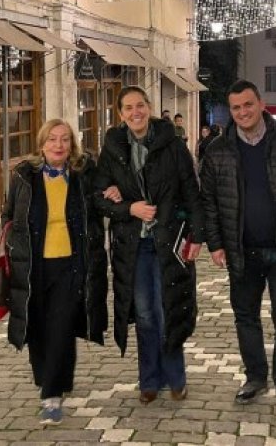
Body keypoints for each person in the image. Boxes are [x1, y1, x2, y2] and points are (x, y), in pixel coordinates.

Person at [200, 80, 276, 414]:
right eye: (236, 107)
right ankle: (256, 377)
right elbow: (210, 203)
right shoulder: (217, 150)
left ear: (261, 103)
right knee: (246, 318)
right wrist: (215, 244)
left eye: (248, 104)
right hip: (241, 251)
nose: (243, 112)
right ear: (230, 111)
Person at [93, 86, 204, 403]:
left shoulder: (172, 144)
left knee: (169, 309)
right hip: (134, 246)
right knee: (143, 314)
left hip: (169, 241)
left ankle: (176, 377)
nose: (135, 112)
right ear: (120, 113)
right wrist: (128, 207)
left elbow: (191, 192)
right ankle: (149, 380)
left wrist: (197, 236)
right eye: (128, 108)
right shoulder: (113, 147)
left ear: (149, 107)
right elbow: (97, 196)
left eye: (140, 105)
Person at [1, 119, 109, 425]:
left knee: (61, 326)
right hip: (34, 267)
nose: (58, 145)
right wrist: (14, 243)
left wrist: (113, 194)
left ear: (71, 144)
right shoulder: (24, 176)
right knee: (37, 327)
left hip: (71, 266)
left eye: (64, 140)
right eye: (52, 140)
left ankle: (51, 396)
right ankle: (52, 377)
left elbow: (100, 203)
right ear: (42, 144)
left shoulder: (83, 175)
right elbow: (9, 215)